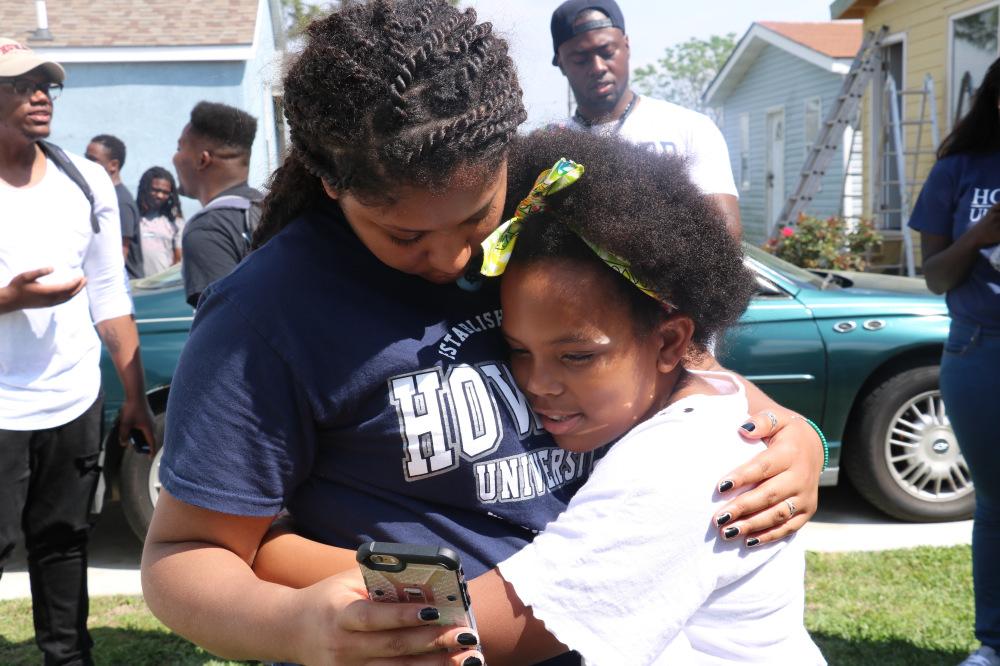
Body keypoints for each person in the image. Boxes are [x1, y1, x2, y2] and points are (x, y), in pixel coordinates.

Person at [139, 4, 824, 664]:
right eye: (404, 235)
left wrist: (779, 426)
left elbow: (670, 356)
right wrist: (290, 625)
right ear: (329, 183)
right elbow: (184, 557)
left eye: (476, 220)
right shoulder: (265, 316)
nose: (454, 260)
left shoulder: (549, 221)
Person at [0, 38, 156, 666]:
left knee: (64, 541)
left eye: (47, 84)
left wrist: (134, 396)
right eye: (22, 83)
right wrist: (10, 300)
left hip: (73, 399)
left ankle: (69, 658)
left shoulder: (84, 178)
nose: (40, 95)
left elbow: (111, 294)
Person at [908, 56, 1000, 666]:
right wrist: (979, 234)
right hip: (981, 348)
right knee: (995, 500)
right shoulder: (958, 169)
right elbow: (936, 278)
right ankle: (994, 643)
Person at [548, 0, 741, 238]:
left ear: (626, 46)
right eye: (580, 59)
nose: (597, 67)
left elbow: (725, 236)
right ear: (561, 63)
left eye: (607, 52)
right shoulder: (548, 147)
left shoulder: (691, 128)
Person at [173, 101, 262, 306]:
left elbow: (227, 327)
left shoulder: (207, 229)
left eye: (180, 147)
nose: (175, 157)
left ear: (203, 160)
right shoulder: (268, 206)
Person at [86, 133, 144, 278]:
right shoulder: (103, 196)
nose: (85, 164)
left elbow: (119, 255)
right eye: (86, 158)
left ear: (113, 165)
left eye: (92, 160)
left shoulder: (121, 202)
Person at [136, 166, 185, 276]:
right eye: (155, 190)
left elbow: (178, 261)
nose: (160, 195)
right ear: (145, 188)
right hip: (134, 286)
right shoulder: (132, 218)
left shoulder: (175, 223)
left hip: (161, 288)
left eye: (165, 192)